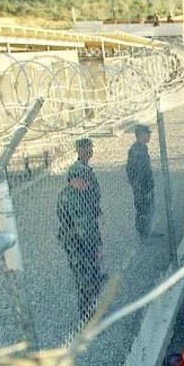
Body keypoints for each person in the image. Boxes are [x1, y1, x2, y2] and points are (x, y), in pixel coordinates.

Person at [57, 138, 106, 323]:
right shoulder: (73, 198)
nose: (84, 183)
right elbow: (83, 228)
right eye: (80, 180)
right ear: (73, 180)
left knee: (91, 276)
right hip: (79, 243)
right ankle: (87, 315)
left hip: (85, 239)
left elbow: (92, 207)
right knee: (84, 279)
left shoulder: (80, 190)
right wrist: (96, 248)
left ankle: (91, 309)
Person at [125, 125, 155, 238]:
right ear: (142, 135)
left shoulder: (143, 148)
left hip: (145, 185)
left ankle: (147, 230)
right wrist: (139, 187)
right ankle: (143, 234)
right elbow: (134, 170)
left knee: (148, 209)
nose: (149, 136)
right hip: (141, 187)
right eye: (148, 134)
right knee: (142, 210)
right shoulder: (135, 150)